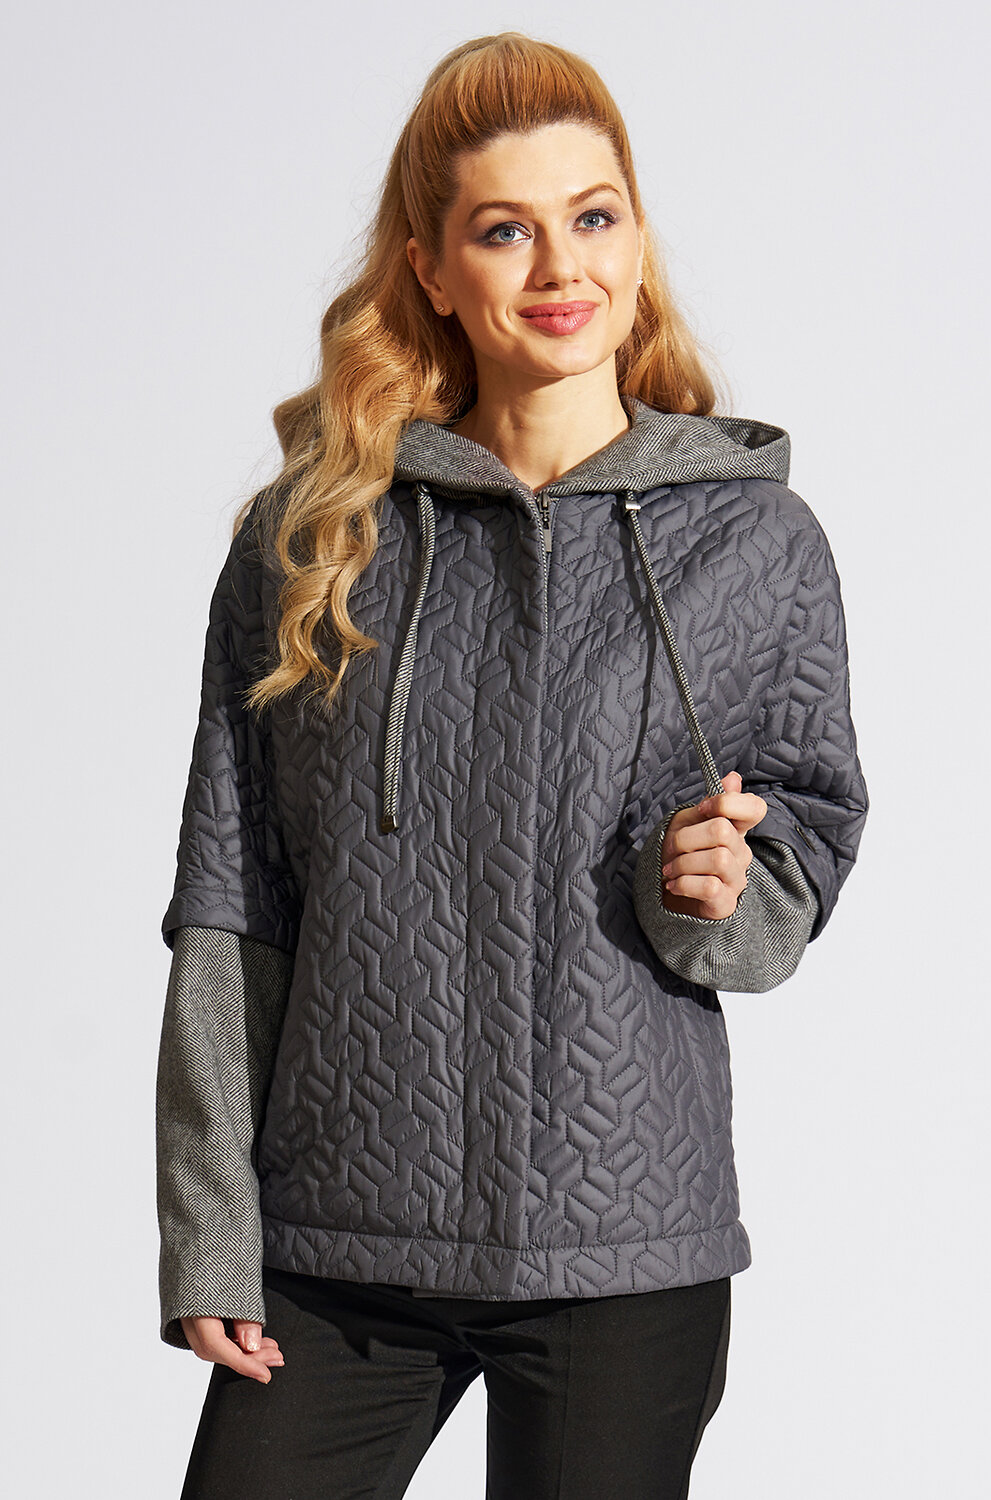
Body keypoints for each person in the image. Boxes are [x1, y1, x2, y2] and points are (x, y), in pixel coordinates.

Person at [155, 30, 868, 1500]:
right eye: (505, 229)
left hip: (622, 1244)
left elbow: (793, 863)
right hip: (340, 1240)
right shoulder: (312, 541)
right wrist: (212, 1228)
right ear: (431, 268)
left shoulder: (753, 541)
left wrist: (721, 890)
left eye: (592, 216)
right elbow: (233, 903)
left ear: (638, 242)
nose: (560, 266)